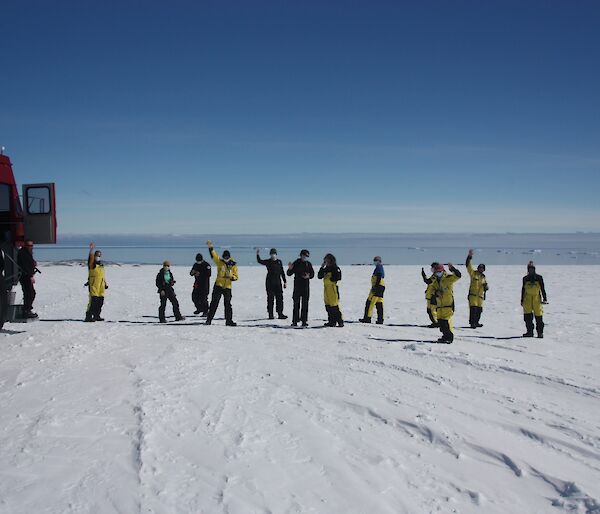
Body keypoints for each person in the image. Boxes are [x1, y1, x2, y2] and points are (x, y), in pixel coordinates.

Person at [205, 240, 238, 326]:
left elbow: (236, 276)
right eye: (224, 258)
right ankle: (209, 320)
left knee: (228, 304)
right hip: (218, 285)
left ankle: (229, 321)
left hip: (227, 287)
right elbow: (213, 255)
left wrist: (232, 277)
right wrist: (210, 247)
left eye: (227, 258)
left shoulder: (233, 264)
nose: (226, 259)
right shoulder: (219, 262)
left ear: (229, 257)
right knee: (214, 303)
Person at [431, 262, 461, 343]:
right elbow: (432, 290)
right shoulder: (436, 281)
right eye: (435, 272)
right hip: (440, 305)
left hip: (448, 305)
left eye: (438, 271)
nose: (437, 273)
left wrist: (453, 269)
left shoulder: (448, 278)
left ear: (442, 271)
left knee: (446, 322)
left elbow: (458, 276)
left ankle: (449, 338)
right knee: (441, 322)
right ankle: (445, 336)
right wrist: (436, 292)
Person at [256, 248, 288, 319]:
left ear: (276, 254)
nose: (273, 255)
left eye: (274, 254)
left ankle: (280, 313)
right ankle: (270, 314)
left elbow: (282, 272)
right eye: (271, 254)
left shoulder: (279, 262)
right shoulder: (268, 261)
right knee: (270, 299)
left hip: (278, 283)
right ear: (270, 255)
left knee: (279, 299)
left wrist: (285, 281)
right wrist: (257, 254)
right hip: (269, 283)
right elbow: (259, 261)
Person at [287, 249, 314, 327]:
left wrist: (308, 276)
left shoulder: (308, 264)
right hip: (297, 287)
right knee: (296, 304)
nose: (305, 257)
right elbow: (289, 274)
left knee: (305, 305)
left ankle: (304, 321)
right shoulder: (296, 263)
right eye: (304, 255)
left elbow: (312, 274)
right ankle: (295, 321)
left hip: (305, 287)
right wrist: (290, 268)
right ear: (301, 255)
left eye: (306, 256)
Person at [521, 261, 548, 338]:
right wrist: (522, 300)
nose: (531, 270)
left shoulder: (539, 278)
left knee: (538, 316)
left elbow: (542, 288)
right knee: (527, 317)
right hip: (527, 299)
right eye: (529, 269)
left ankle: (540, 333)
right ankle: (529, 332)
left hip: (537, 299)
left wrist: (545, 298)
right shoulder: (525, 278)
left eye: (532, 269)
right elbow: (523, 289)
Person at [317, 253, 343, 327]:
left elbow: (338, 277)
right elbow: (319, 276)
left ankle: (340, 321)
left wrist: (331, 279)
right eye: (325, 260)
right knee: (328, 305)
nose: (326, 261)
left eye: (327, 260)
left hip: (332, 288)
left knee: (334, 305)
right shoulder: (326, 268)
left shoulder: (335, 268)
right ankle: (331, 321)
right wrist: (322, 267)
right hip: (326, 289)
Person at [466, 249, 489, 328]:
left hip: (480, 297)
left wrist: (486, 287)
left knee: (479, 310)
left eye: (482, 268)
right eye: (480, 268)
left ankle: (476, 322)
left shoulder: (483, 277)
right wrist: (469, 257)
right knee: (473, 310)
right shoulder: (473, 273)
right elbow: (468, 266)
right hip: (473, 295)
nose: (481, 269)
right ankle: (472, 323)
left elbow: (486, 286)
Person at [85, 242, 107, 322]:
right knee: (93, 302)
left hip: (101, 287)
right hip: (94, 286)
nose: (98, 257)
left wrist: (105, 284)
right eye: (97, 255)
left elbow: (102, 276)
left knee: (100, 301)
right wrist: (91, 250)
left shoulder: (101, 265)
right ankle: (88, 316)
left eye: (99, 255)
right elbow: (90, 259)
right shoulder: (92, 265)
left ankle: (96, 315)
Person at [359, 256, 385, 324]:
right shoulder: (380, 267)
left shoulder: (379, 267)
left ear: (379, 261)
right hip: (381, 287)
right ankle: (380, 319)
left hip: (377, 287)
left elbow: (379, 276)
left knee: (370, 302)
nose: (375, 262)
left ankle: (367, 318)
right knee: (379, 303)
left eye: (376, 260)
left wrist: (375, 286)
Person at [17, 240, 39, 318]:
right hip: (25, 277)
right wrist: (30, 276)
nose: (31, 247)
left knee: (30, 293)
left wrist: (33, 263)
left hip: (27, 276)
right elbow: (25, 266)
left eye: (32, 245)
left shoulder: (26, 253)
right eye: (29, 245)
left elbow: (28, 263)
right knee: (29, 293)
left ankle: (27, 310)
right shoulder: (23, 253)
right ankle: (26, 311)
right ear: (25, 245)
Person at [420, 262, 439, 328]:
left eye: (433, 267)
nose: (432, 269)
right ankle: (435, 322)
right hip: (430, 295)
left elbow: (428, 281)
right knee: (430, 310)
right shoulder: (436, 275)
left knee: (432, 310)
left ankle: (436, 323)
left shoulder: (436, 275)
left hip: (433, 296)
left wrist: (423, 275)